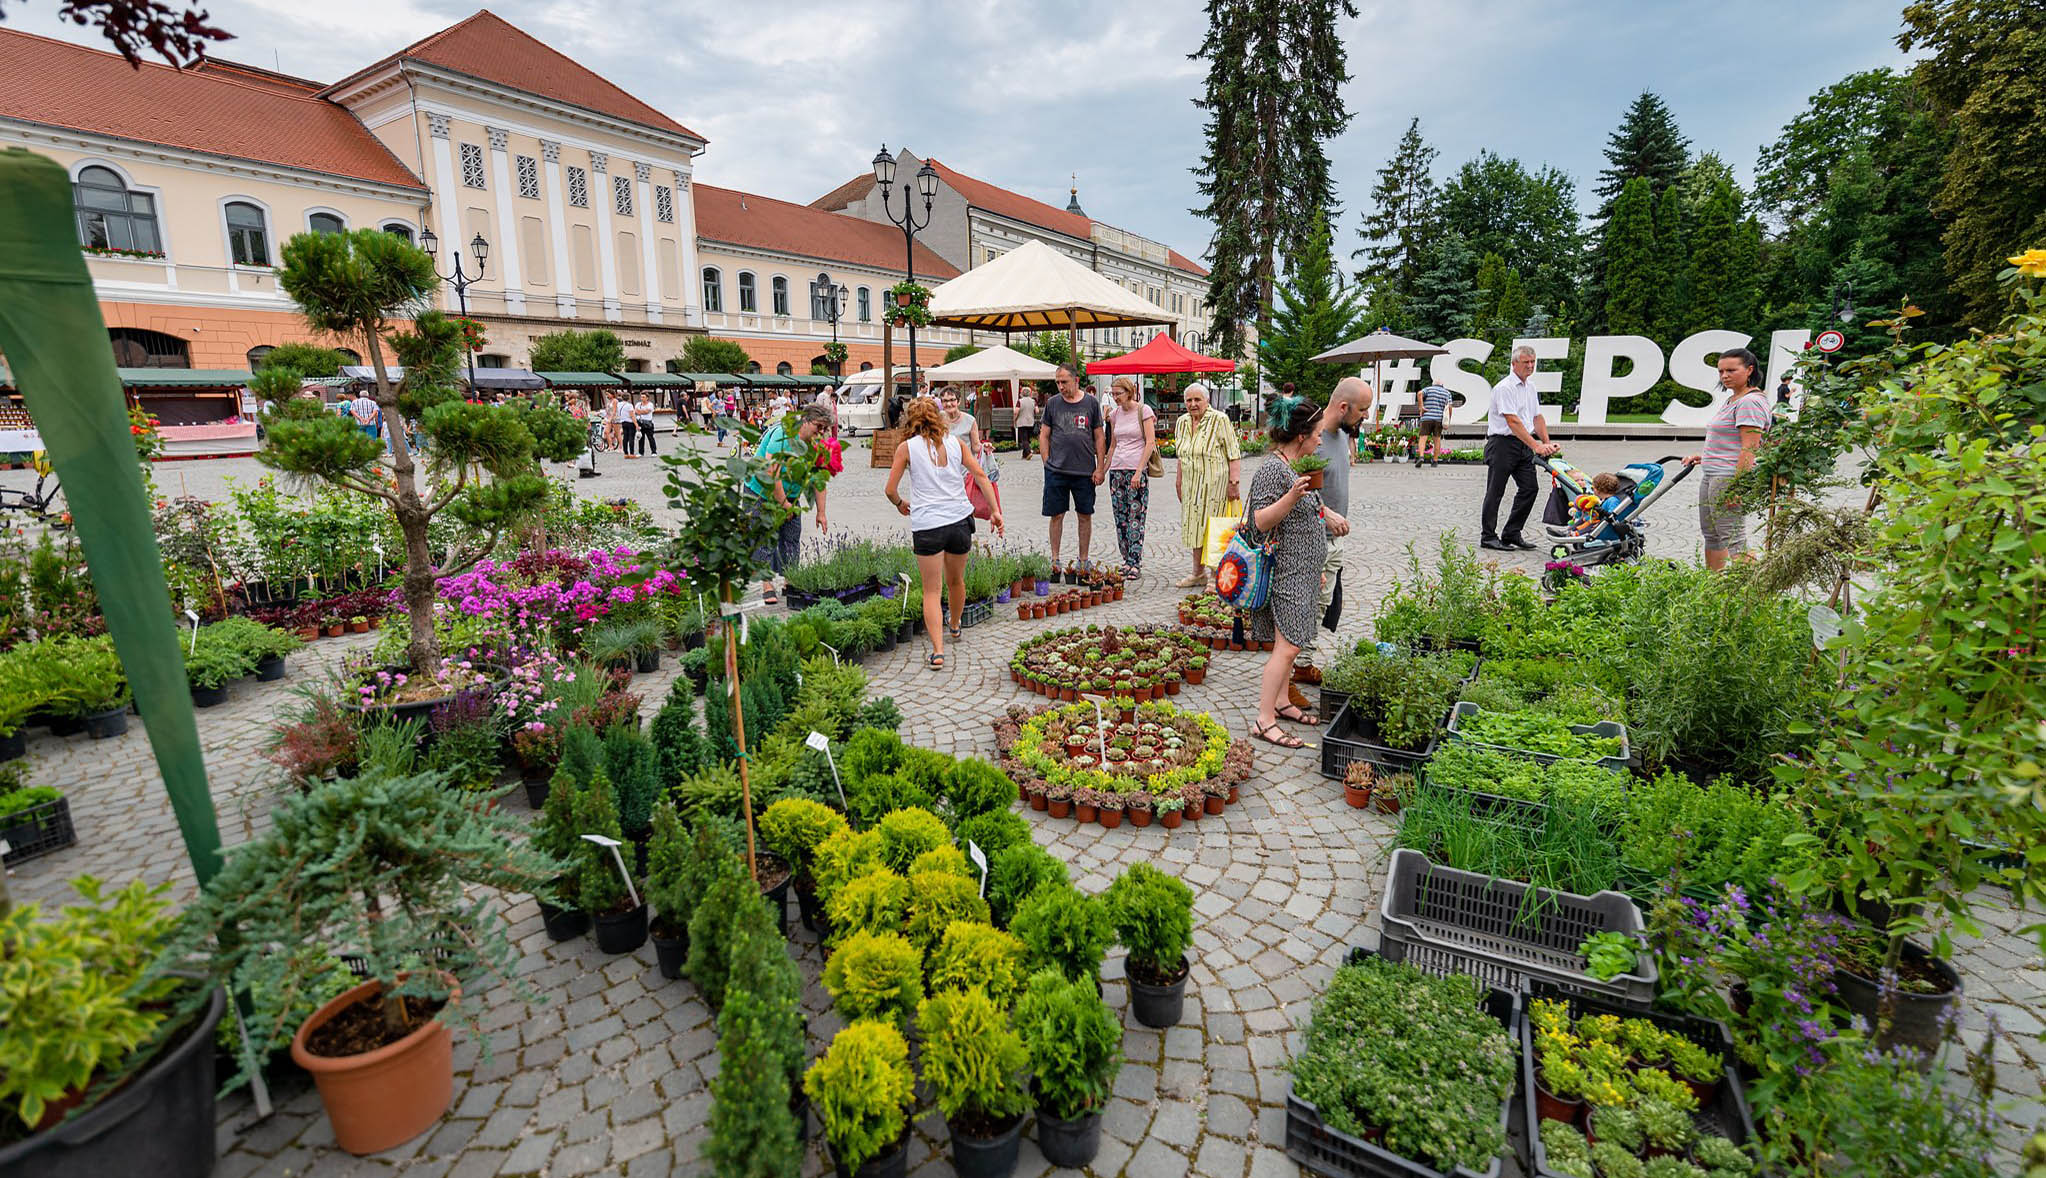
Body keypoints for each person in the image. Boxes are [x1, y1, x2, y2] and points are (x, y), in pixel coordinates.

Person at [1241, 395, 1349, 748]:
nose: (1321, 439)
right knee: (1286, 649)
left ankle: (1283, 702)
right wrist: (1291, 497)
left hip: (1303, 570)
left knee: (1295, 642)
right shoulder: (1274, 470)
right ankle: (1264, 719)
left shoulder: (1292, 465)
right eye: (1317, 433)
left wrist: (1324, 520)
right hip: (1286, 573)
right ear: (1301, 435)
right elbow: (1258, 522)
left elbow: (1306, 511)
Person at [884, 396, 1003, 670]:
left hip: (927, 524)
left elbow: (890, 490)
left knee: (931, 591)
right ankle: (956, 624)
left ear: (910, 421)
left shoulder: (906, 448)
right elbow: (982, 476)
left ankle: (938, 651)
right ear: (938, 418)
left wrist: (900, 504)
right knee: (956, 581)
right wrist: (996, 511)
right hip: (959, 520)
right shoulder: (956, 443)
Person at [1298, 376, 1371, 683]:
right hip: (1313, 538)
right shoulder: (1312, 440)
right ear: (1343, 407)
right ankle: (1294, 670)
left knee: (1323, 604)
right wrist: (1326, 513)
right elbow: (1296, 489)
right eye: (1362, 410)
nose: (1365, 416)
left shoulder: (1343, 434)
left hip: (1333, 540)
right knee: (1307, 605)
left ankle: (1303, 663)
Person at [1684, 347, 1771, 570]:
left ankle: (1751, 592)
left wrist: (1738, 487)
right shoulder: (1733, 399)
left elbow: (1750, 448)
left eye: (1731, 370)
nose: (1724, 376)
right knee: (1712, 535)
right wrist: (1704, 457)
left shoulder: (1749, 402)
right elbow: (1730, 442)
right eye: (1721, 371)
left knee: (1734, 540)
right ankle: (1714, 587)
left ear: (1749, 369)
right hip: (1713, 474)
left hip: (1727, 478)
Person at [746, 402, 832, 605]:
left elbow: (819, 480)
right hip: (761, 491)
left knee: (791, 536)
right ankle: (767, 584)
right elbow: (771, 471)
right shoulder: (783, 435)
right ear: (806, 421)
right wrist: (784, 504)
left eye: (824, 429)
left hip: (791, 495)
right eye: (818, 427)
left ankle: (790, 580)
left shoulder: (816, 445)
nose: (821, 432)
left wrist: (821, 512)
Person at [1480, 345, 1557, 551]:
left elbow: (1536, 417)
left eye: (1533, 362)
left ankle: (1512, 532)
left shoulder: (1530, 387)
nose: (1530, 366)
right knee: (1495, 491)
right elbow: (1512, 421)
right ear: (1514, 364)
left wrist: (1546, 443)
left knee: (1530, 488)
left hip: (1523, 444)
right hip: (1502, 444)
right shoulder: (1504, 387)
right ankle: (1488, 536)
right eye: (1526, 362)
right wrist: (1536, 446)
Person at [1172, 381, 1242, 588]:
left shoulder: (1219, 420)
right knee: (1194, 526)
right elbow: (1181, 455)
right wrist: (1179, 481)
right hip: (1192, 484)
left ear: (1207, 400)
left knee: (1214, 528)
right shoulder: (1182, 422)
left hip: (1216, 485)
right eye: (1189, 400)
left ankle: (1215, 574)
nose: (1193, 404)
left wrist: (1234, 483)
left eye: (1197, 400)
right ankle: (1197, 573)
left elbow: (1234, 454)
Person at [1038, 363, 1106, 568]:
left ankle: (1083, 560)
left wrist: (1100, 467)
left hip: (1084, 470)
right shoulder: (1053, 404)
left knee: (1085, 515)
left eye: (1064, 382)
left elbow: (1099, 436)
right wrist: (1046, 461)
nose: (1060, 386)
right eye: (1057, 382)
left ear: (1076, 380)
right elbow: (1044, 434)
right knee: (1056, 514)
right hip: (1056, 470)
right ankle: (1055, 559)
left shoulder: (1091, 403)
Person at [1103, 376, 1158, 578]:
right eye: (1113, 394)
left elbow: (1150, 443)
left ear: (1129, 392)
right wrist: (1102, 468)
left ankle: (1136, 562)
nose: (1115, 398)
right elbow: (1113, 445)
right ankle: (1126, 560)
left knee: (1136, 517)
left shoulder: (1143, 411)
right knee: (1121, 518)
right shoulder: (1115, 414)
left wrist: (1138, 471)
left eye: (1119, 393)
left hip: (1136, 470)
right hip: (1117, 471)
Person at [1417, 383, 1453, 464]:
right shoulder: (1447, 393)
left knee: (1423, 438)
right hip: (1439, 419)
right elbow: (1450, 408)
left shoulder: (1429, 389)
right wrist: (1448, 420)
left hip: (1427, 418)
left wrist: (1421, 407)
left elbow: (1419, 393)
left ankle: (1421, 456)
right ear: (1442, 385)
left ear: (1433, 384)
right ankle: (1435, 461)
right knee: (1437, 439)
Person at [940, 387, 981, 454]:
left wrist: (984, 447)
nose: (949, 404)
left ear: (958, 401)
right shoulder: (936, 419)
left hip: (964, 462)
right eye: (945, 401)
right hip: (943, 463)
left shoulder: (970, 420)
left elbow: (976, 447)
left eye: (952, 400)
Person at [1013, 383, 1038, 457]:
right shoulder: (1033, 401)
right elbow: (1037, 411)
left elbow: (1016, 412)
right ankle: (1024, 454)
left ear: (1022, 393)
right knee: (1027, 438)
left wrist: (1014, 420)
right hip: (1031, 422)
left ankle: (1029, 452)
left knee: (1023, 439)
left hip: (1021, 422)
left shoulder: (1020, 401)